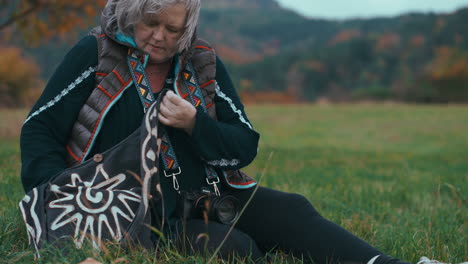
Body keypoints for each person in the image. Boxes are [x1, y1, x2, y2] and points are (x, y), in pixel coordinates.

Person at [19, 0, 453, 263]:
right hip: (134, 212)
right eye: (151, 23)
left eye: (173, 29)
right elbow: (39, 128)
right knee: (237, 250)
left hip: (208, 196)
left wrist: (195, 123)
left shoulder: (200, 61)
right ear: (131, 12)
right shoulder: (95, 53)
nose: (158, 37)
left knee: (293, 211)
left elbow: (244, 143)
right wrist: (56, 200)